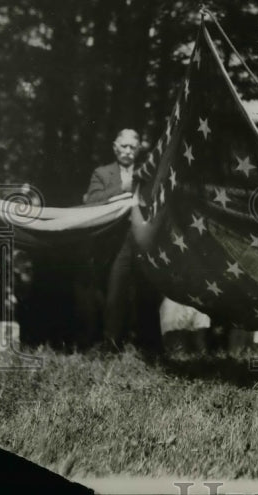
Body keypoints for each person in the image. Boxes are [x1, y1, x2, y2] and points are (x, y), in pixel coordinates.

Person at [85, 128, 162, 353]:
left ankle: (151, 350)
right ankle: (112, 348)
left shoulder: (147, 172)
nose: (128, 151)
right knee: (115, 295)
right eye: (124, 146)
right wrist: (123, 188)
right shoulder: (102, 173)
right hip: (116, 243)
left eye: (132, 147)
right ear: (115, 147)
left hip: (144, 241)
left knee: (148, 294)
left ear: (138, 150)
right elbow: (92, 201)